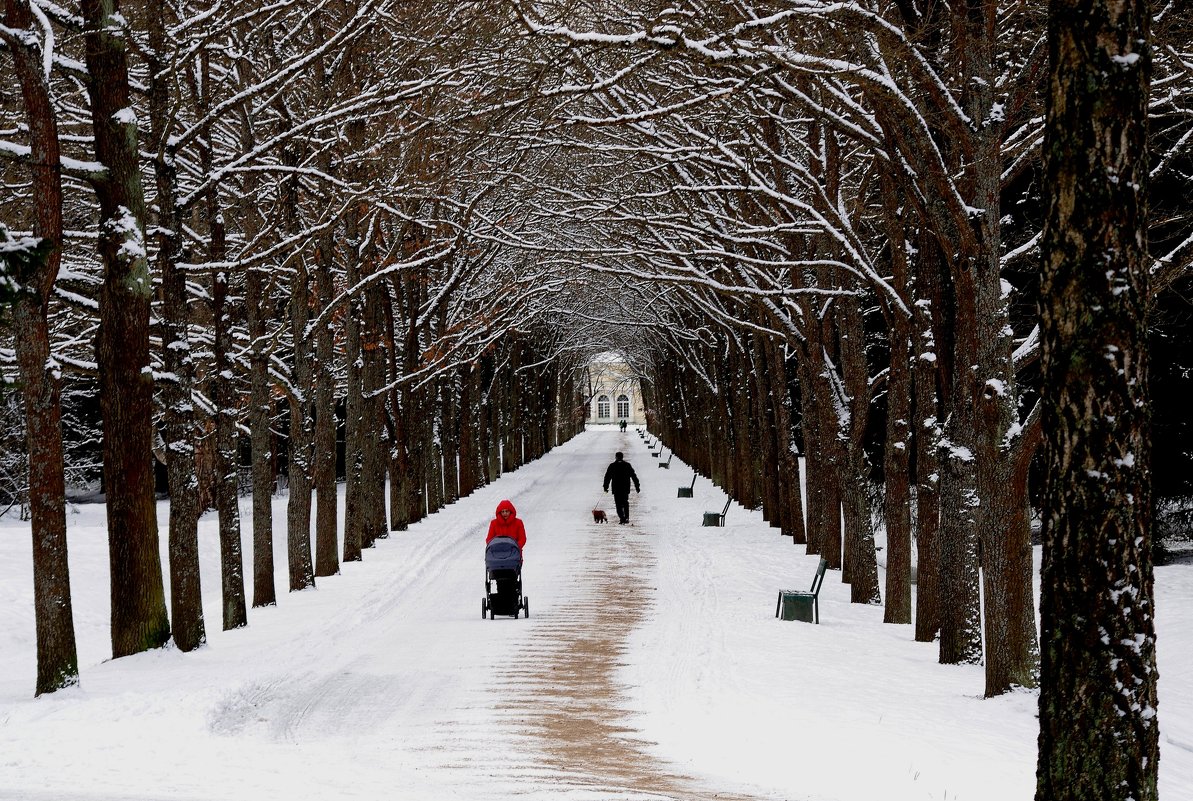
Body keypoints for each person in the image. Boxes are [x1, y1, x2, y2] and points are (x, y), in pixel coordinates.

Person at [602, 451, 641, 524]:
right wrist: (637, 486)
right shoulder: (627, 465)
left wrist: (605, 487)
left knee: (618, 504)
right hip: (625, 488)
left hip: (616, 489)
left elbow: (607, 477)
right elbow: (634, 476)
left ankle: (622, 518)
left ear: (616, 457)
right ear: (622, 457)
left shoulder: (612, 466)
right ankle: (626, 517)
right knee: (625, 503)